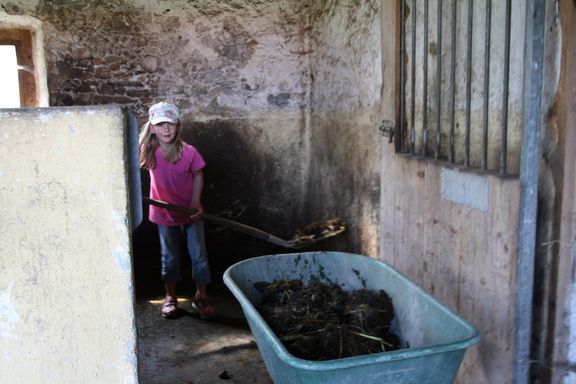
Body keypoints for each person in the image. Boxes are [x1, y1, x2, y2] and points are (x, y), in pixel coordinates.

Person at [139, 101, 216, 319]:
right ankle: (170, 297)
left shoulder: (189, 152)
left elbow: (198, 175)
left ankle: (201, 296)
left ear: (178, 125)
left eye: (170, 123)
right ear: (152, 127)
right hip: (164, 214)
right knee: (169, 257)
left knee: (199, 256)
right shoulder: (148, 151)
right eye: (160, 124)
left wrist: (195, 203)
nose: (166, 128)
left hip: (191, 213)